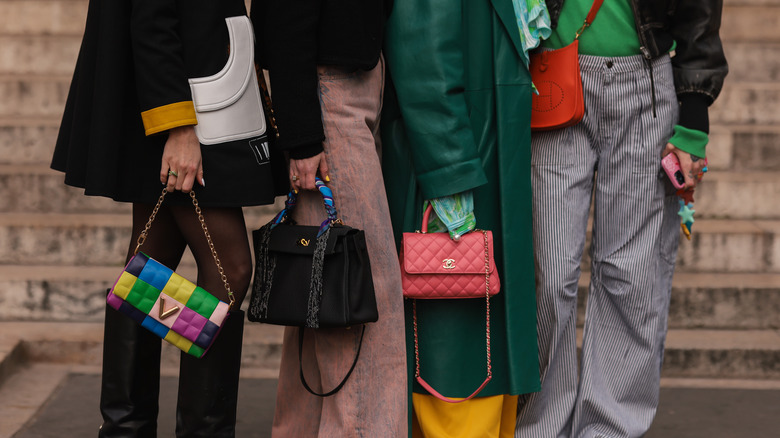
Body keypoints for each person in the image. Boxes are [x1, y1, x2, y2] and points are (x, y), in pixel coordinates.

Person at [51, 1, 285, 436]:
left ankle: (126, 427)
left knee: (147, 273)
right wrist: (179, 129)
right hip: (186, 110)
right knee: (230, 269)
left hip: (187, 96)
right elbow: (152, 19)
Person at [515, 1, 728, 437]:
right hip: (553, 76)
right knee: (547, 275)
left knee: (633, 278)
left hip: (644, 83)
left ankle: (610, 430)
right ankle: (539, 428)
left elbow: (700, 11)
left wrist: (692, 124)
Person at [381, 0, 547, 436]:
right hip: (458, 167)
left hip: (486, 159)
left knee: (484, 334)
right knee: (456, 346)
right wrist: (449, 174)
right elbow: (423, 64)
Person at [249, 1, 407, 436]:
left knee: (321, 288)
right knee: (363, 286)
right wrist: (301, 137)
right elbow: (285, 16)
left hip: (350, 86)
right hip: (328, 97)